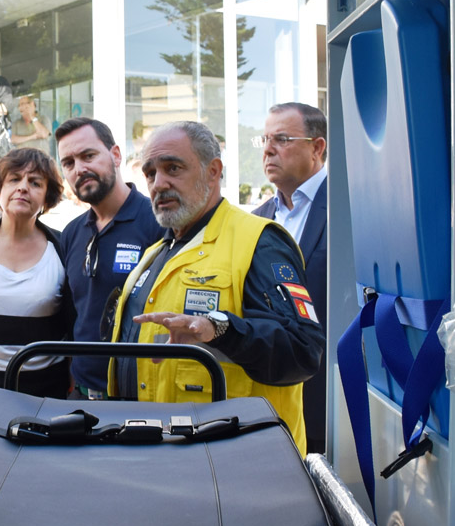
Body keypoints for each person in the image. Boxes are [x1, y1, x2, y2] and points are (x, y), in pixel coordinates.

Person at [108, 120, 323, 448]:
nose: (158, 183)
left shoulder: (259, 243)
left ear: (213, 171)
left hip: (238, 464)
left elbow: (303, 351)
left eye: (173, 168)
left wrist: (221, 328)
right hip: (155, 457)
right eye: (150, 173)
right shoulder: (153, 256)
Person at [54, 117, 164, 400]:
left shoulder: (158, 224)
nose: (80, 169)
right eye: (68, 163)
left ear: (116, 155)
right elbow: (72, 316)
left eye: (88, 155)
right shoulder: (72, 233)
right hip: (80, 397)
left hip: (138, 399)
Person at [252, 102, 329, 454]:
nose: (268, 149)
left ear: (317, 147)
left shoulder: (350, 206)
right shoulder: (257, 222)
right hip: (273, 399)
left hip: (329, 396)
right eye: (266, 139)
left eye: (282, 139)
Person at [0, 148, 71, 397]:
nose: (23, 187)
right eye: (14, 179)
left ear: (47, 197)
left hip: (44, 392)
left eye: (35, 183)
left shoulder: (63, 248)